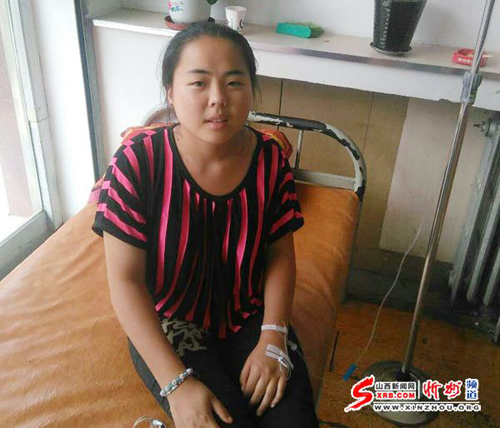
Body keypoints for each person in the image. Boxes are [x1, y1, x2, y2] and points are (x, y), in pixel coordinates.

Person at [92, 22, 318, 428]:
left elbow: (280, 256)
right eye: (198, 83)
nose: (218, 99)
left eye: (234, 83)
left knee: (294, 421)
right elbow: (125, 280)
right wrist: (176, 385)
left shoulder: (270, 161)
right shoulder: (138, 162)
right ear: (170, 93)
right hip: (171, 320)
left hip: (250, 315)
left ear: (251, 89)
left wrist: (273, 337)